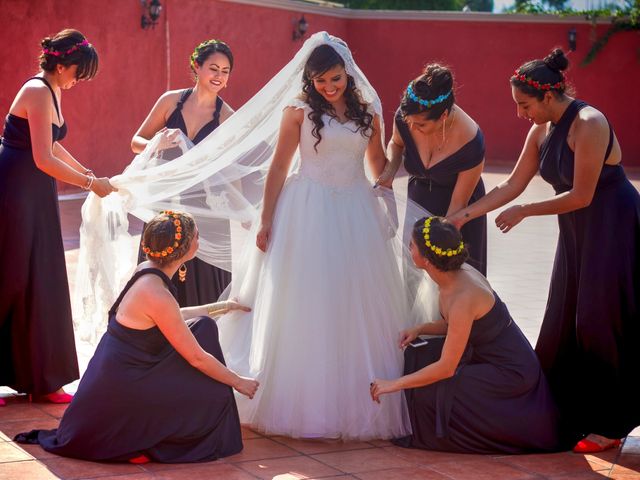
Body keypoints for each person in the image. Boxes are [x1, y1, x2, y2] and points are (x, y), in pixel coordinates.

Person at [217, 37, 412, 440]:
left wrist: (389, 185)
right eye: (320, 81)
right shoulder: (298, 112)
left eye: (335, 79)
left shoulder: (368, 111)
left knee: (353, 299)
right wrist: (266, 219)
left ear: (348, 73)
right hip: (307, 209)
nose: (329, 87)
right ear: (310, 80)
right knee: (308, 300)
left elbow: (377, 164)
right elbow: (277, 168)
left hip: (356, 208)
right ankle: (302, 401)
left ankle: (355, 400)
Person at [448, 48, 640, 453]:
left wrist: (525, 212)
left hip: (613, 227)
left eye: (524, 105)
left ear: (548, 96)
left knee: (598, 321)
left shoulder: (589, 123)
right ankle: (564, 411)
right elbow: (511, 185)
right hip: (576, 232)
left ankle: (611, 422)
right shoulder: (542, 129)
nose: (521, 114)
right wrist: (463, 216)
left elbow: (584, 195)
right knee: (562, 320)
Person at [15, 210, 259, 463]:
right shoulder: (155, 292)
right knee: (204, 342)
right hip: (125, 386)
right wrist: (238, 381)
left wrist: (224, 306)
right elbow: (196, 357)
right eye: (197, 235)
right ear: (185, 248)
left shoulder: (148, 270)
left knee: (203, 327)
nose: (200, 239)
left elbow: (172, 316)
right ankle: (162, 430)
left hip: (128, 373)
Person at [370, 216, 561, 454]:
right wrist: (420, 329)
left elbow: (446, 368)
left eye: (413, 244)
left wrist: (393, 385)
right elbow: (457, 324)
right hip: (486, 355)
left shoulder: (463, 296)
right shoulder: (454, 274)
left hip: (510, 373)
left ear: (428, 260)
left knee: (429, 391)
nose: (408, 247)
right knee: (417, 356)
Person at [0, 29, 115, 407]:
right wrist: (88, 183)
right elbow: (42, 158)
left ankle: (41, 379)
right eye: (77, 73)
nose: (78, 81)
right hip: (15, 189)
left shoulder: (54, 90)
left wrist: (89, 173)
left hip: (35, 189)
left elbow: (53, 145)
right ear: (60, 64)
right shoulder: (36, 90)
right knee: (11, 277)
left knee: (42, 276)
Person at [131, 39, 235, 307]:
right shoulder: (170, 101)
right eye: (213, 68)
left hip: (203, 209)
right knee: (158, 268)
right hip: (163, 203)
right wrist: (157, 143)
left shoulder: (226, 116)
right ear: (197, 66)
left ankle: (196, 335)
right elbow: (136, 142)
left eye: (225, 71)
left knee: (201, 280)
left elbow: (233, 163)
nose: (219, 76)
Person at [380, 64, 487, 274]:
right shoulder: (407, 117)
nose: (412, 128)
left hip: (457, 212)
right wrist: (390, 171)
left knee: (450, 275)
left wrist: (437, 244)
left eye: (420, 125)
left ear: (444, 116)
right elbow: (396, 143)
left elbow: (458, 204)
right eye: (408, 121)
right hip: (419, 198)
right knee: (413, 275)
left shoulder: (471, 141)